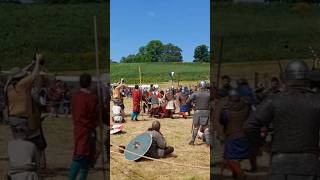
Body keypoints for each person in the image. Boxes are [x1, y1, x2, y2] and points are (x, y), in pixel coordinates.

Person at [245, 60, 320, 180]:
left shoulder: (274, 100)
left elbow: (250, 125)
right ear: (307, 78)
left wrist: (261, 144)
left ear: (286, 79)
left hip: (280, 163)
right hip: (309, 163)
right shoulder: (316, 101)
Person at [218, 89, 257, 179]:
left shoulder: (226, 111)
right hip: (245, 136)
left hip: (233, 137)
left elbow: (222, 121)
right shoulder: (247, 106)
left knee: (230, 159)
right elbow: (254, 117)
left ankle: (241, 175)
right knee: (243, 156)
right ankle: (236, 174)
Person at [6, 54, 42, 140]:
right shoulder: (22, 84)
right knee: (30, 140)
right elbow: (34, 75)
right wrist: (37, 61)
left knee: (18, 141)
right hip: (22, 118)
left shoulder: (8, 86)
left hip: (12, 118)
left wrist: (31, 63)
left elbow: (17, 73)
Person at [69, 73, 98, 180]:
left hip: (78, 129)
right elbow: (93, 115)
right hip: (86, 130)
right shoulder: (91, 98)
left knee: (87, 158)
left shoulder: (75, 96)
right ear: (90, 83)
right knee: (80, 156)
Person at [187, 81, 211, 146]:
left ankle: (192, 141)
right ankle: (208, 143)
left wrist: (192, 106)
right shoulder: (209, 94)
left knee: (196, 127)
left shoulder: (195, 93)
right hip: (207, 111)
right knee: (206, 128)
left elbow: (188, 101)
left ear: (199, 86)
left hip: (197, 111)